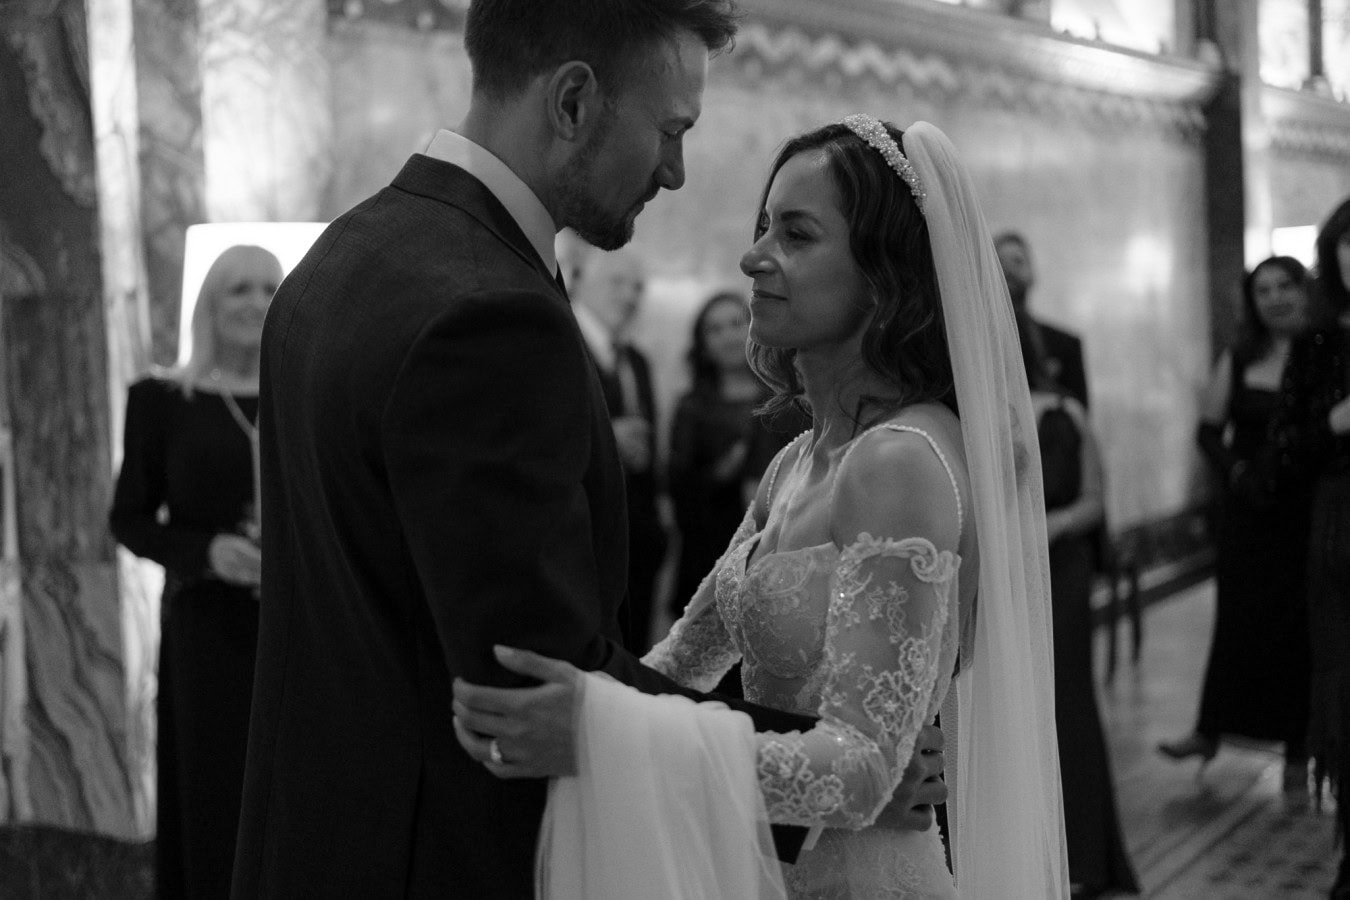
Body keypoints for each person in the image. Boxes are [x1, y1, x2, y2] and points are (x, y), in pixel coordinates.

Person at [231, 4, 945, 897]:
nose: (677, 173)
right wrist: (849, 779)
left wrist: (854, 765)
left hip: (315, 839)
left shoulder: (342, 257)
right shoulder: (489, 316)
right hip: (439, 857)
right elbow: (538, 686)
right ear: (573, 101)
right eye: (669, 130)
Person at [454, 117, 1070, 898]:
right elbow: (680, 667)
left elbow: (862, 770)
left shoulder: (900, 460)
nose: (753, 257)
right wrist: (542, 692)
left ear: (885, 277)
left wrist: (595, 735)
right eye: (761, 228)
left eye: (796, 234)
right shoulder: (795, 462)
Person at [109, 244, 278, 899]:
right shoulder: (161, 400)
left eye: (269, 288)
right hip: (208, 634)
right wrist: (205, 552)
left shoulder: (307, 399)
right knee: (213, 803)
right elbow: (128, 520)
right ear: (209, 302)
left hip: (298, 633)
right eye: (239, 289)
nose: (256, 303)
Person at [1158, 256, 1313, 794]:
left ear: (1304, 288)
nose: (1274, 298)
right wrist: (1237, 473)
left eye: (1283, 286)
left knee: (1302, 629)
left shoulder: (1328, 353)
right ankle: (1210, 729)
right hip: (1248, 514)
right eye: (1262, 289)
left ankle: (1299, 748)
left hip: (1306, 511)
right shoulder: (1241, 356)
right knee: (1237, 621)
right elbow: (1207, 431)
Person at [1019, 317, 1139, 898]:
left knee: (1067, 702)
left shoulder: (1064, 412)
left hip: (1058, 570)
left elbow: (1094, 500)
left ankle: (1083, 855)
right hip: (996, 576)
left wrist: (1052, 526)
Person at [1267, 197, 1350, 898]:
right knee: (1343, 702)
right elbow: (1286, 451)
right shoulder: (1319, 344)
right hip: (1338, 536)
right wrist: (1335, 421)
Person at [571, 249, 667, 653]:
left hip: (635, 550)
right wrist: (607, 437)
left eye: (638, 287)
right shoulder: (558, 346)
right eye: (617, 282)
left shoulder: (637, 362)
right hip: (579, 551)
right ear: (579, 281)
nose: (629, 297)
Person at [995, 231, 1090, 409]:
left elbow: (1080, 417)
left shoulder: (1066, 346)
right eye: (999, 263)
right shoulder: (974, 345)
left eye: (1017, 261)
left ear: (1032, 274)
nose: (1008, 271)